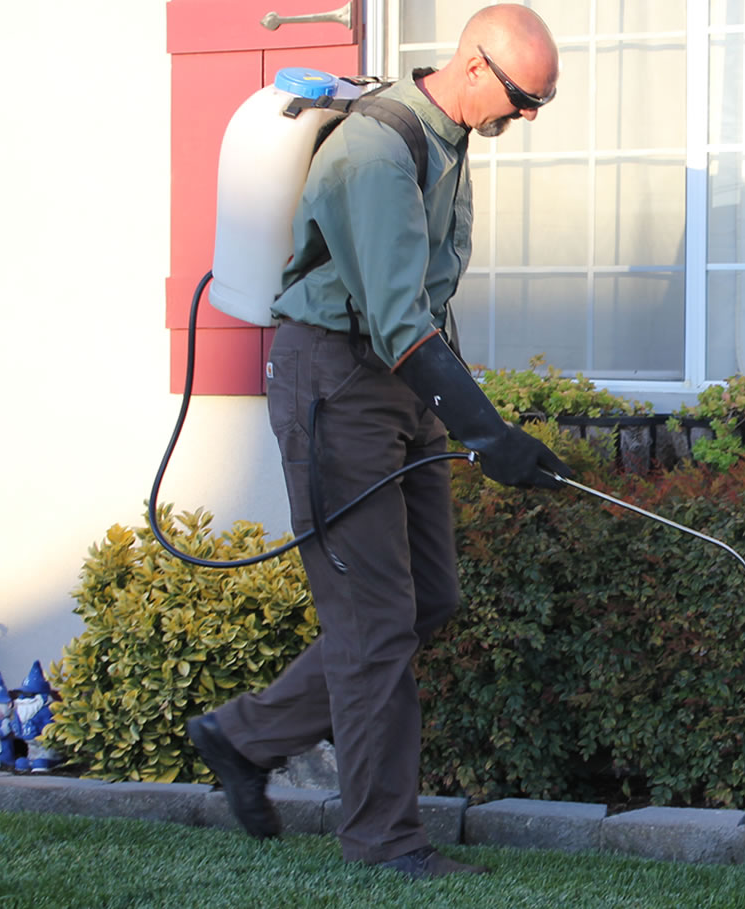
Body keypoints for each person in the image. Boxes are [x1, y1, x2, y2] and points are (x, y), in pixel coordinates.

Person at [185, 4, 571, 880]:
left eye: (540, 102)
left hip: (395, 389)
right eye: (523, 98)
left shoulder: (448, 139)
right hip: (336, 388)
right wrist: (487, 433)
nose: (529, 118)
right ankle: (386, 839)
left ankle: (241, 736)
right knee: (372, 628)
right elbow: (399, 322)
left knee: (428, 596)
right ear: (475, 65)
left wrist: (487, 429)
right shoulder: (375, 153)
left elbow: (426, 298)